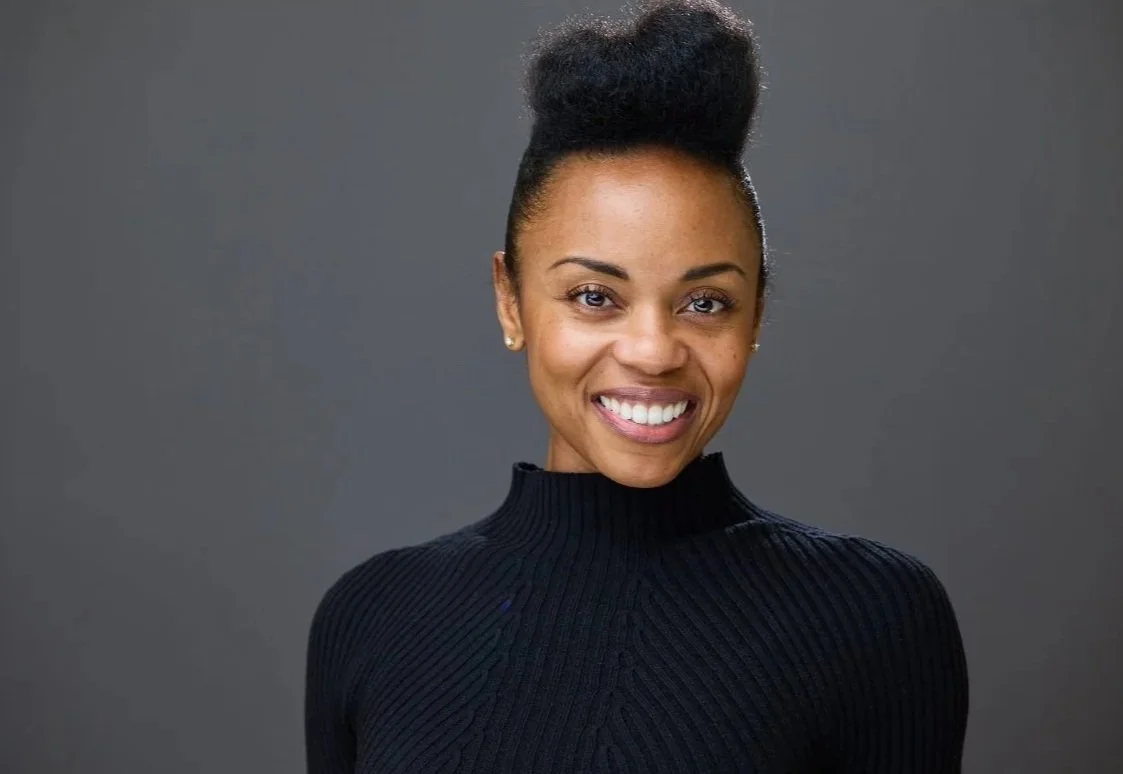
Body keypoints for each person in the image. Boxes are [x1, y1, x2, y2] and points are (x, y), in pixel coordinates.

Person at [304, 1, 970, 771]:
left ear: (755, 313)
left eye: (705, 303)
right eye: (594, 296)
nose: (652, 352)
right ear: (510, 302)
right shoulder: (373, 616)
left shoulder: (871, 616)